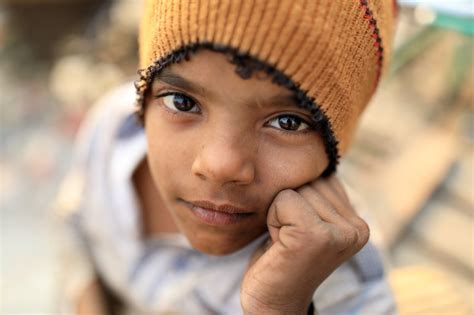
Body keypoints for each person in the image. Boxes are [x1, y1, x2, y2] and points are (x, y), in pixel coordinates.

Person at [56, 0, 398, 314]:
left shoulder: (343, 282)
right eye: (182, 102)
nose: (220, 166)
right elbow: (75, 219)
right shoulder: (115, 133)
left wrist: (277, 308)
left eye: (288, 122)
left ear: (336, 146)